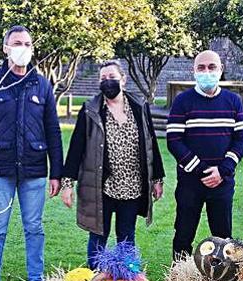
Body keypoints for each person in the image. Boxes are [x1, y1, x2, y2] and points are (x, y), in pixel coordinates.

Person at [0, 26, 63, 281]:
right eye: (17, 43)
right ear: (6, 48)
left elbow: (53, 131)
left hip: (34, 170)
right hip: (1, 169)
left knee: (34, 229)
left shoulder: (42, 86)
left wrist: (57, 173)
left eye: (28, 44)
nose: (23, 48)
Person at [60, 61, 165, 268]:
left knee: (126, 237)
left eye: (112, 77)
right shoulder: (91, 110)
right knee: (98, 236)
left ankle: (128, 280)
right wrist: (67, 184)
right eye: (103, 78)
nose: (108, 82)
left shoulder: (139, 107)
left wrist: (157, 179)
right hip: (101, 186)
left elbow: (151, 142)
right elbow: (76, 148)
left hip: (132, 186)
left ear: (123, 80)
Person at [166, 50, 243, 259]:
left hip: (222, 182)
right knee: (183, 235)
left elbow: (241, 139)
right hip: (190, 183)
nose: (207, 71)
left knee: (222, 238)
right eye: (201, 67)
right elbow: (174, 140)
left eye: (212, 67)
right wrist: (203, 171)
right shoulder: (182, 101)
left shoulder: (233, 101)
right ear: (194, 71)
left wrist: (223, 170)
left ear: (221, 70)